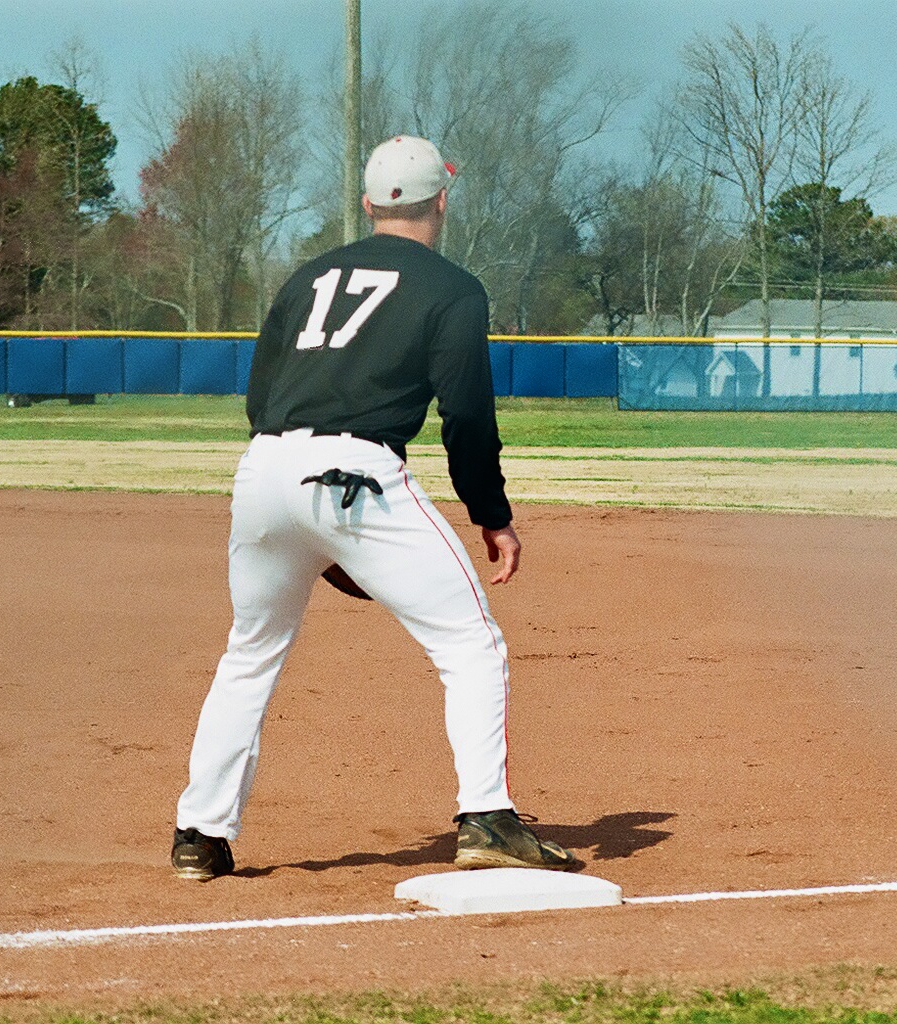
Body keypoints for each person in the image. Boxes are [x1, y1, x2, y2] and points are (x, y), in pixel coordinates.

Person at [171, 135, 576, 881]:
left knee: (251, 652)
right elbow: (466, 417)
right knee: (470, 644)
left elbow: (260, 397)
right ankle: (486, 816)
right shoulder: (452, 288)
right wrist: (491, 514)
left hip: (264, 471)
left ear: (367, 203)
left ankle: (198, 834)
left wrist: (309, 533)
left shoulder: (308, 276)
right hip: (354, 476)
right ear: (442, 201)